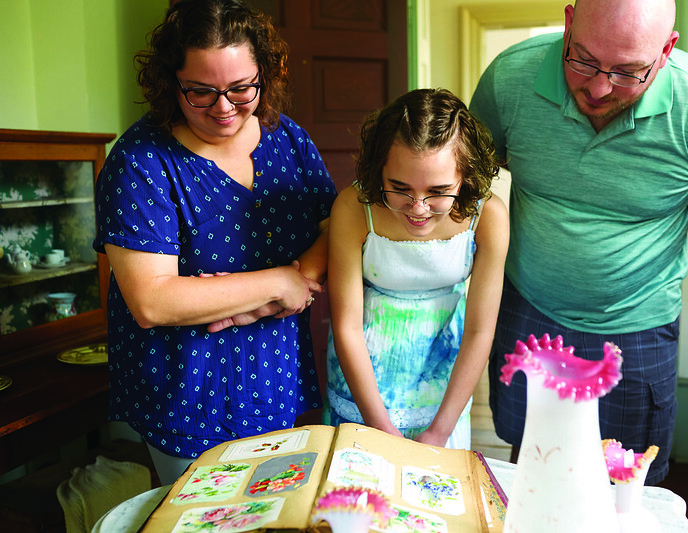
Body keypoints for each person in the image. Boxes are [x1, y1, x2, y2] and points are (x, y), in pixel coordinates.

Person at [469, 0, 688, 484]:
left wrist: (667, 205)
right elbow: (478, 161)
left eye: (629, 72)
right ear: (568, 23)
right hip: (528, 306)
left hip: (637, 323)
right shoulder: (509, 79)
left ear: (667, 50)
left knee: (628, 483)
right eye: (583, 59)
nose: (598, 87)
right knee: (531, 465)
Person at [92, 0, 337, 484]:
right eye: (201, 92)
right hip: (187, 393)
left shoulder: (288, 140)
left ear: (264, 75)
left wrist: (273, 295)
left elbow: (338, 227)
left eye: (241, 88)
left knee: (271, 510)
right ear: (170, 82)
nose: (224, 107)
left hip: (276, 374)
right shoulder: (141, 162)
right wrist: (279, 282)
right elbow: (153, 300)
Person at [325, 88, 509, 449]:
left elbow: (480, 331)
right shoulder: (352, 207)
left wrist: (441, 430)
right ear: (379, 169)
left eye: (438, 190)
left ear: (466, 175)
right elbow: (346, 326)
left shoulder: (488, 217)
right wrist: (379, 425)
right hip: (363, 383)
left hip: (444, 383)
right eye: (400, 188)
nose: (419, 208)